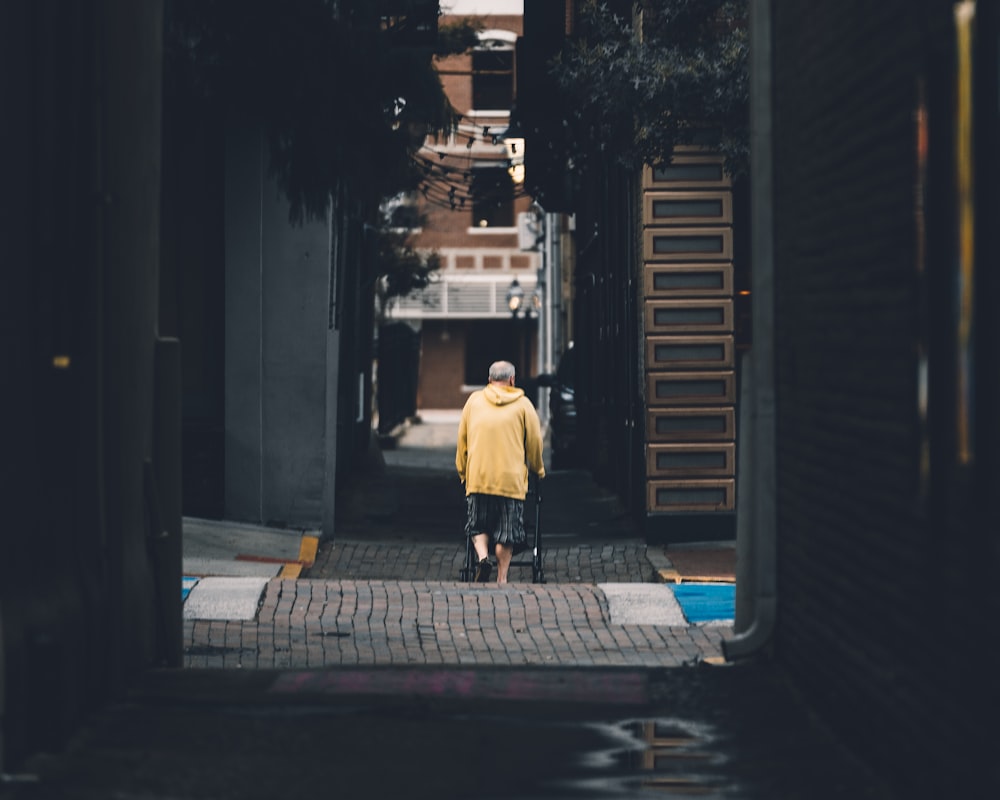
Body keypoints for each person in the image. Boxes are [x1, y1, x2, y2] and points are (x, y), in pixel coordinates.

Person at [456, 360, 546, 584]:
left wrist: (463, 472)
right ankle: (502, 578)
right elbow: (534, 442)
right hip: (510, 480)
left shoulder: (473, 402)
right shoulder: (524, 405)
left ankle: (483, 557)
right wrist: (537, 469)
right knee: (506, 533)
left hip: (479, 477)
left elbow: (462, 441)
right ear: (512, 380)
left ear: (489, 380)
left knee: (477, 525)